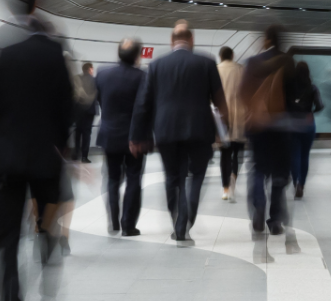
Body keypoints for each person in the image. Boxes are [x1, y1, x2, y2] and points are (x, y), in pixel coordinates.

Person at [0, 12, 74, 301]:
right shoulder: (54, 54)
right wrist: (61, 144)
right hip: (45, 160)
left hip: (7, 160)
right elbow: (66, 106)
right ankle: (48, 289)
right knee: (47, 225)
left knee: (7, 238)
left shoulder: (7, 55)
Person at [130, 21, 228, 241]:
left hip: (166, 130)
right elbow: (220, 100)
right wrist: (223, 130)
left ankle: (178, 220)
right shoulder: (206, 62)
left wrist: (136, 136)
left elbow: (143, 103)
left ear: (171, 41)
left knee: (173, 177)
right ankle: (187, 215)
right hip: (199, 129)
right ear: (191, 39)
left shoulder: (156, 65)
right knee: (197, 174)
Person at [240, 25, 296, 235]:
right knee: (279, 174)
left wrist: (253, 112)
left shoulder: (253, 63)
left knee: (258, 169)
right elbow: (294, 95)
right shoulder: (288, 62)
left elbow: (242, 93)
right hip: (281, 126)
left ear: (267, 40)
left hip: (258, 126)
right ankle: (275, 220)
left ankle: (258, 206)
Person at [95, 39, 146, 236]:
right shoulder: (142, 77)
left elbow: (100, 100)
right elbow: (144, 108)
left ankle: (114, 222)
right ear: (137, 56)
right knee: (134, 178)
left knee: (112, 179)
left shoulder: (102, 74)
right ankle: (128, 225)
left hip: (109, 134)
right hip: (135, 137)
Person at [289, 61, 324, 199]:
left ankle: (295, 182)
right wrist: (311, 112)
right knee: (304, 155)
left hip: (292, 124)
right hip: (308, 123)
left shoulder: (289, 88)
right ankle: (301, 184)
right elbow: (320, 105)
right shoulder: (312, 88)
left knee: (294, 155)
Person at [217, 46, 245, 202]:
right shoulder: (241, 70)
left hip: (222, 118)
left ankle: (225, 189)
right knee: (237, 152)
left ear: (220, 56)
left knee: (224, 154)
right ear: (232, 56)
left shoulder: (216, 70)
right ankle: (233, 176)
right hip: (239, 117)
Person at [72, 62, 98, 163]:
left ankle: (75, 154)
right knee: (87, 133)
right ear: (90, 69)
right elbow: (97, 95)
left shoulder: (77, 79)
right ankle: (84, 156)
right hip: (89, 111)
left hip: (78, 110)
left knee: (78, 131)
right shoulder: (94, 80)